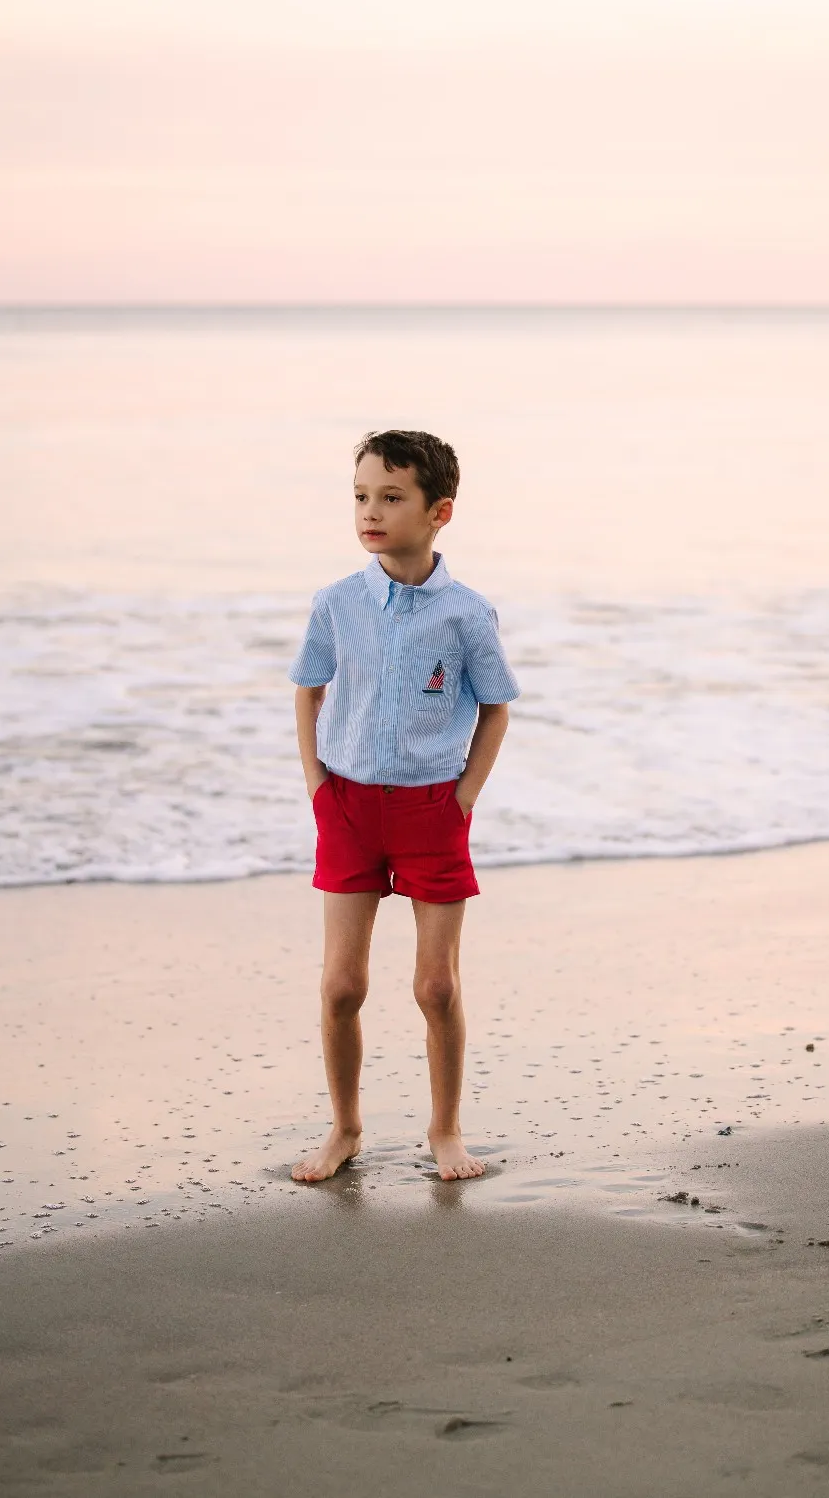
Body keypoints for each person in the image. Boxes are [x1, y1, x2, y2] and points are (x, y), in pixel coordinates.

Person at [287, 429, 519, 1182]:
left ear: (438, 511)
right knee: (341, 985)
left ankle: (445, 1130)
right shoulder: (336, 603)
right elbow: (308, 691)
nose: (370, 512)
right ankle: (345, 1128)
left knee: (436, 985)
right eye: (360, 496)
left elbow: (494, 709)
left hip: (432, 811)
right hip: (348, 805)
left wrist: (465, 797)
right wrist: (319, 787)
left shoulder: (466, 613)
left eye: (391, 497)